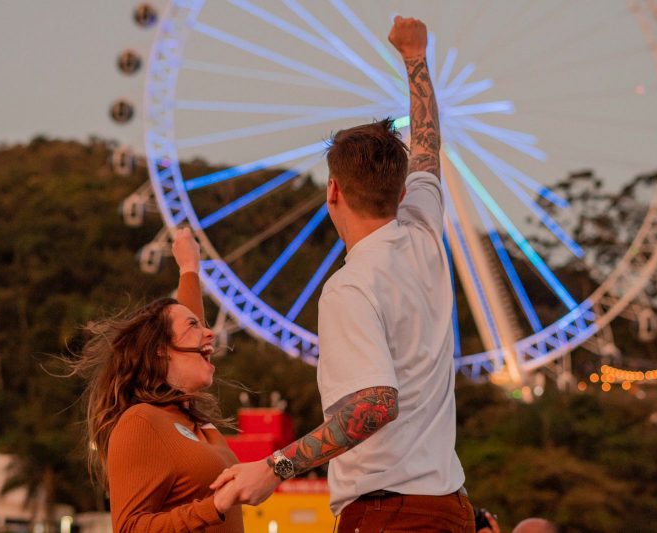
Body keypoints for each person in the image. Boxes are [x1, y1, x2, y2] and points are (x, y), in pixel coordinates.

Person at [210, 16, 474, 532]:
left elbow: (375, 405)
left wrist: (274, 467)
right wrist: (416, 56)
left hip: (388, 512)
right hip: (449, 506)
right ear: (401, 193)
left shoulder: (349, 288)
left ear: (332, 192)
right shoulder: (422, 233)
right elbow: (426, 145)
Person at [74, 227, 244, 532]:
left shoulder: (185, 416)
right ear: (160, 352)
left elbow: (185, 330)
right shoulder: (142, 421)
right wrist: (215, 506)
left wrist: (190, 268)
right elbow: (128, 528)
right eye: (194, 326)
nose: (210, 333)